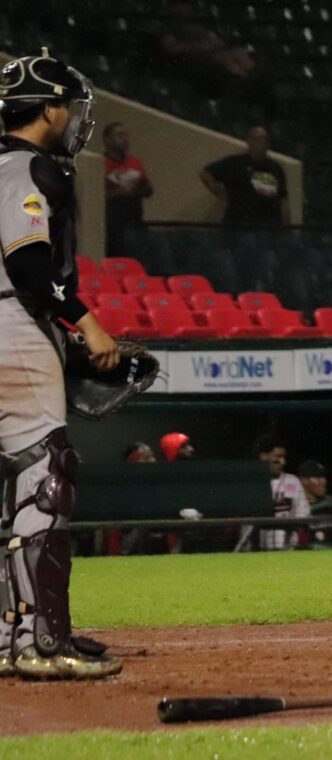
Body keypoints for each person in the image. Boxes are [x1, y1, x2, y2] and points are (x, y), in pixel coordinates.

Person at [0, 50, 123, 679]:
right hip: (11, 324)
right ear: (47, 108)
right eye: (67, 106)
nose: (73, 117)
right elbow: (28, 267)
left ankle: (9, 633)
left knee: (9, 489)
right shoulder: (29, 167)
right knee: (46, 477)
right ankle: (44, 641)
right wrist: (85, 321)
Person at [199, 126, 289, 225]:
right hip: (240, 224)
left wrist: (286, 227)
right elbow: (206, 174)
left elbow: (283, 199)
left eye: (265, 139)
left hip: (269, 226)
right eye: (258, 139)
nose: (263, 143)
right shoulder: (235, 163)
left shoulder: (275, 168)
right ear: (249, 142)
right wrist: (221, 194)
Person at [102, 122, 153, 258]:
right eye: (119, 135)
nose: (125, 139)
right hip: (113, 225)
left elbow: (148, 190)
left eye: (126, 135)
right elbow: (96, 196)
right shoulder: (101, 164)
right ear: (107, 140)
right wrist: (120, 192)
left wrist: (139, 188)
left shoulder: (134, 162)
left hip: (135, 222)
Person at [297, 459, 332, 548]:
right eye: (318, 478)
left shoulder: (331, 503)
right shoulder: (297, 507)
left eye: (323, 477)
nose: (323, 481)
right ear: (304, 480)